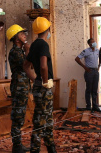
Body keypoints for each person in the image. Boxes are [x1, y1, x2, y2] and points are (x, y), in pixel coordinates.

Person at [24, 17, 56, 153]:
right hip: (43, 88)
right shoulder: (43, 45)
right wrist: (44, 81)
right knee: (40, 120)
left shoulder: (34, 45)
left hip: (38, 86)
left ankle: (51, 147)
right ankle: (35, 149)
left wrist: (35, 80)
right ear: (47, 29)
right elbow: (43, 66)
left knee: (47, 118)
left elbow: (25, 66)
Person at [6, 24, 31, 153]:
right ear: (16, 39)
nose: (25, 35)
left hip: (23, 86)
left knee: (20, 116)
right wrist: (27, 51)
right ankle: (16, 146)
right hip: (19, 87)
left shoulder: (19, 51)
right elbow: (26, 65)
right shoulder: (15, 52)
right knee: (17, 117)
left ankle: (18, 145)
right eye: (22, 34)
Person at [74, 38, 101, 113]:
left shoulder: (97, 51)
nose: (94, 43)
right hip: (89, 72)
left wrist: (99, 66)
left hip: (96, 72)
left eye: (94, 42)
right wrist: (85, 67)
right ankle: (88, 107)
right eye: (92, 42)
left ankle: (95, 106)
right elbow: (77, 59)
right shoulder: (86, 51)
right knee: (89, 89)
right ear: (89, 44)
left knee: (95, 89)